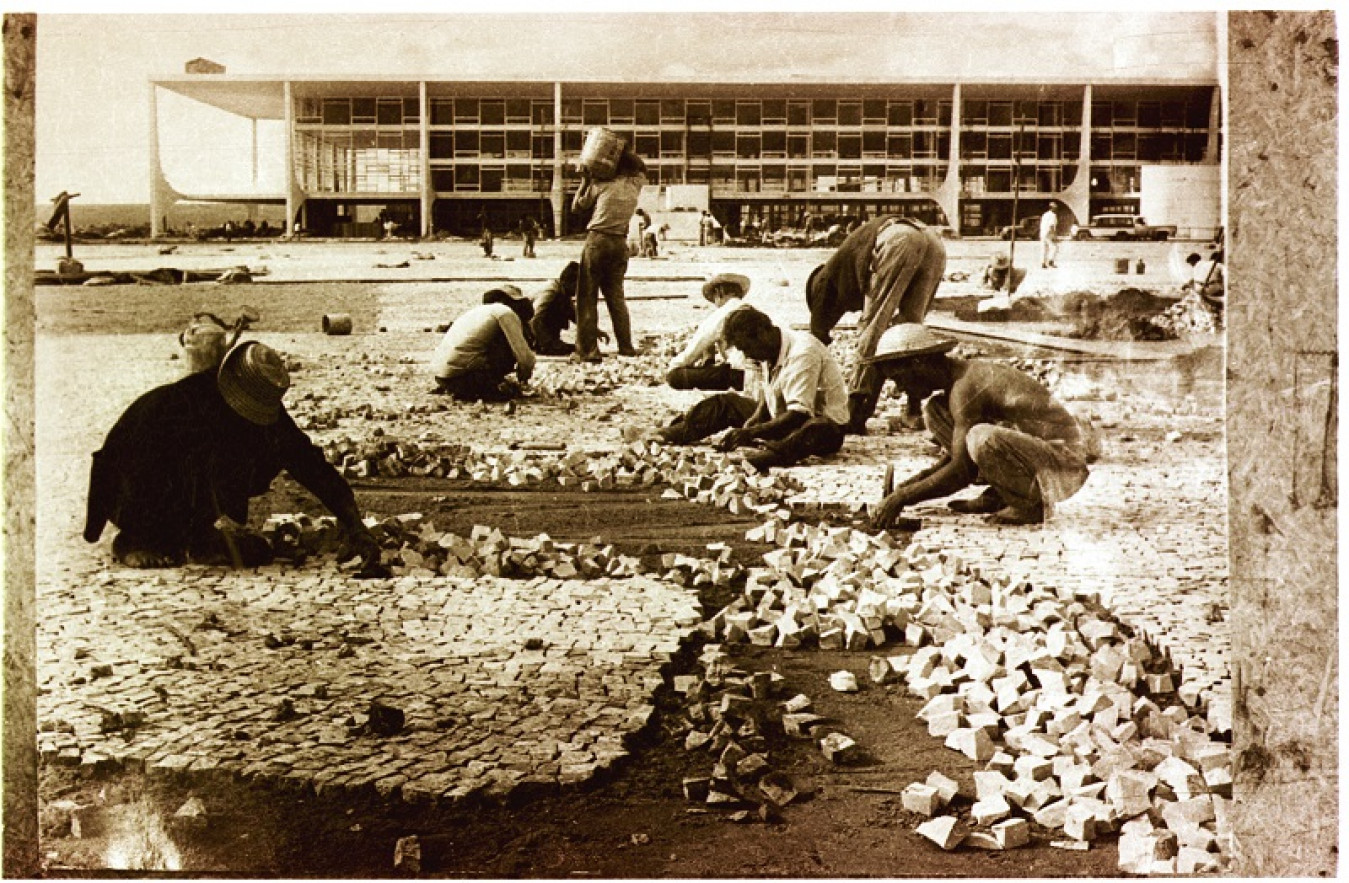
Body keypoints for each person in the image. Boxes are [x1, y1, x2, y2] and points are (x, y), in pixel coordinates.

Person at [84, 341, 380, 569]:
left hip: (178, 494)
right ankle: (137, 540)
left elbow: (309, 463)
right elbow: (143, 469)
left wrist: (354, 525)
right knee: (218, 462)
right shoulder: (183, 405)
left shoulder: (262, 404)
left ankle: (193, 536)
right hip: (128, 492)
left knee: (256, 462)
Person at [869, 324, 1091, 531]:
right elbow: (958, 456)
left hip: (1064, 470)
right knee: (936, 411)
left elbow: (961, 471)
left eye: (899, 378)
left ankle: (1028, 504)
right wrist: (912, 484)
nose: (900, 388)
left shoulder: (965, 388)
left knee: (981, 438)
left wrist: (902, 498)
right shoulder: (958, 382)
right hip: (1042, 458)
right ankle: (1001, 494)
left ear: (919, 364)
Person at [652, 305, 848, 472]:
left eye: (746, 348)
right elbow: (768, 392)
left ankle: (774, 454)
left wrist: (751, 433)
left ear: (762, 334)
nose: (746, 355)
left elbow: (799, 415)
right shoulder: (769, 347)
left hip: (818, 426)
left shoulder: (802, 353)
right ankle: (681, 430)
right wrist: (755, 418)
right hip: (782, 418)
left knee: (817, 428)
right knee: (726, 403)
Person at [805, 215, 947, 434]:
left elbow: (816, 337)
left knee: (872, 329)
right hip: (931, 240)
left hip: (899, 240)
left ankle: (854, 413)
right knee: (912, 330)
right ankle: (913, 409)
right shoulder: (843, 269)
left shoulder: (822, 284)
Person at [571, 143, 647, 362]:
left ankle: (589, 351)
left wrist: (585, 180)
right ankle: (626, 347)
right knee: (616, 298)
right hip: (620, 243)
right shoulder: (635, 185)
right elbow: (641, 168)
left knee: (587, 296)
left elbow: (577, 207)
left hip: (598, 240)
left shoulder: (601, 185)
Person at [430, 285, 537, 401]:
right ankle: (489, 385)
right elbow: (526, 359)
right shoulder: (505, 312)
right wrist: (524, 378)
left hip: (442, 377)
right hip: (463, 378)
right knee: (505, 344)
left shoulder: (478, 312)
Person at [666, 272, 752, 391]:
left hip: (740, 376)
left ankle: (707, 365)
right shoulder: (752, 310)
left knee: (674, 377)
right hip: (762, 373)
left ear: (718, 292)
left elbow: (693, 351)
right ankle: (709, 365)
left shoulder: (722, 313)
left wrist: (674, 366)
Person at [530, 261, 589, 356]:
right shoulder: (551, 292)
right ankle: (542, 345)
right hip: (531, 333)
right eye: (577, 286)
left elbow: (575, 316)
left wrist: (593, 330)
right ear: (568, 282)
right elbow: (535, 319)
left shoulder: (563, 291)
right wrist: (548, 343)